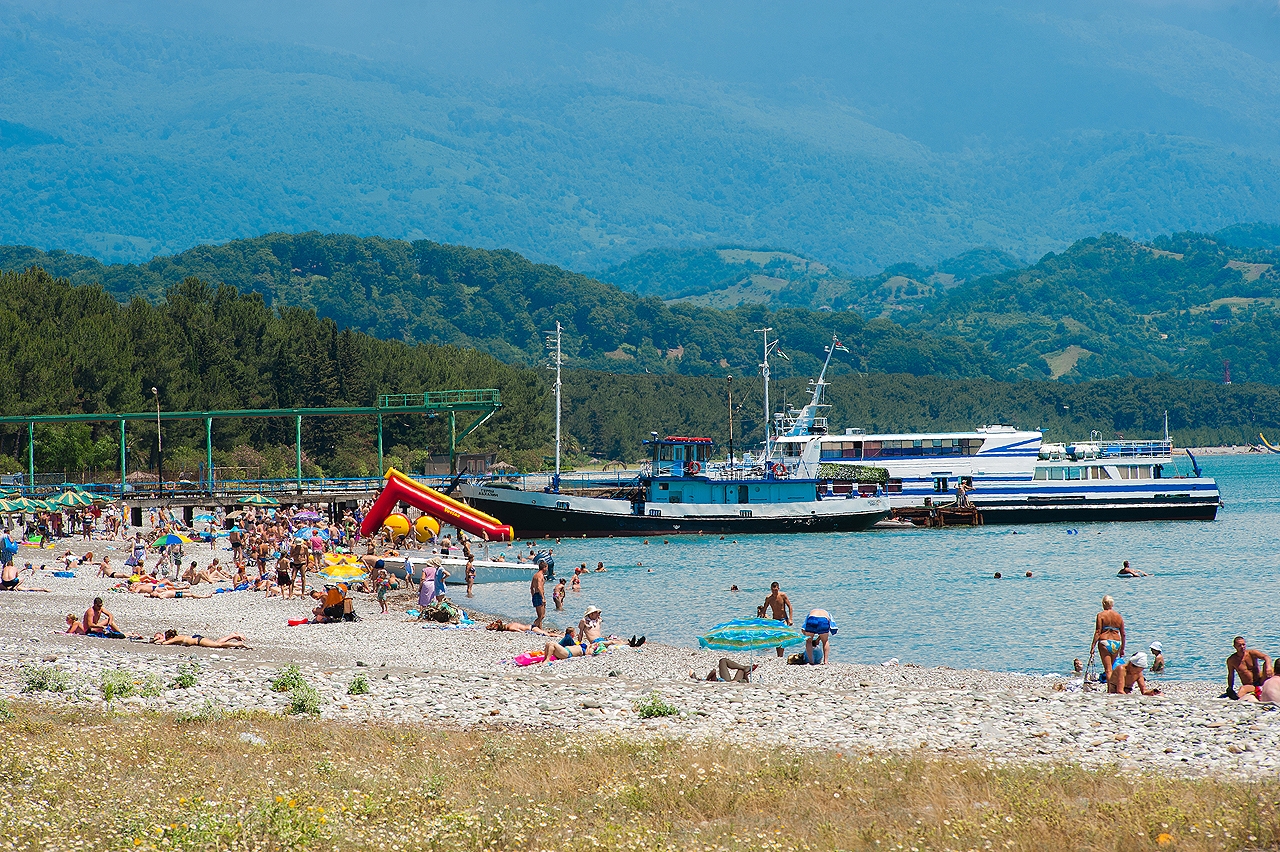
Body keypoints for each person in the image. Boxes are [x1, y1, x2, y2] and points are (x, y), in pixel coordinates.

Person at [1224, 636, 1273, 700]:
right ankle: (1237, 699)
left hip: (1261, 680)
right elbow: (1231, 675)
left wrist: (1268, 666)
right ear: (1235, 646)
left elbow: (1266, 657)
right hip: (1250, 685)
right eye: (1239, 645)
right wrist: (1230, 688)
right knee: (1242, 689)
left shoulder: (1252, 653)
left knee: (1267, 665)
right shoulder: (1231, 660)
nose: (1242, 647)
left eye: (1243, 644)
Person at [1091, 595, 1125, 682]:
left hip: (1105, 642)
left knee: (1108, 670)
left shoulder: (1101, 615)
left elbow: (1098, 631)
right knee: (1111, 668)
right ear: (1112, 604)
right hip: (1116, 643)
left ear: (1103, 604)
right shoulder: (1119, 616)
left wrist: (1093, 646)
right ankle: (1113, 686)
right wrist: (1122, 648)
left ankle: (1110, 688)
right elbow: (1123, 634)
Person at [763, 581, 793, 657]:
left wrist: (790, 619)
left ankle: (781, 655)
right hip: (775, 620)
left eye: (776, 590)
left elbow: (790, 607)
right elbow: (764, 609)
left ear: (778, 588)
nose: (774, 592)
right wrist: (763, 619)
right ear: (771, 589)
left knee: (782, 637)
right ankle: (779, 656)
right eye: (773, 590)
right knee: (777, 638)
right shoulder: (769, 598)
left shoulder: (783, 596)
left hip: (783, 619)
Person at [152, 630, 250, 648]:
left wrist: (155, 640)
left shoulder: (173, 639)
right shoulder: (176, 638)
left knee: (217, 645)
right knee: (216, 643)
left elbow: (163, 643)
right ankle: (231, 636)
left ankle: (238, 644)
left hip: (198, 641)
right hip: (197, 638)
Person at [692, 659, 759, 682]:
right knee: (723, 660)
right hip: (730, 682)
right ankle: (745, 668)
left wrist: (706, 680)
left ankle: (744, 667)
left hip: (731, 681)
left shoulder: (711, 681)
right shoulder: (713, 681)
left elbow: (714, 671)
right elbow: (713, 671)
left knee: (723, 661)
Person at [530, 561, 547, 629]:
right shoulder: (540, 575)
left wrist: (533, 596)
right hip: (539, 595)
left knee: (539, 615)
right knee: (542, 616)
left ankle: (540, 629)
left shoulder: (535, 575)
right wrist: (543, 597)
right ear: (544, 568)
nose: (547, 569)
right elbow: (539, 587)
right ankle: (532, 627)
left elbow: (531, 587)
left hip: (535, 595)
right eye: (546, 568)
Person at [485, 619, 549, 636]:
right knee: (547, 633)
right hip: (530, 626)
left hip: (531, 628)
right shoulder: (509, 624)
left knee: (548, 634)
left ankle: (556, 635)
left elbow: (520, 631)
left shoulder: (510, 628)